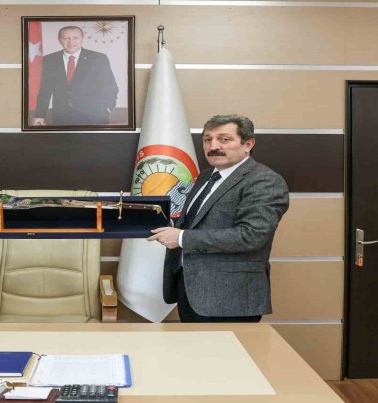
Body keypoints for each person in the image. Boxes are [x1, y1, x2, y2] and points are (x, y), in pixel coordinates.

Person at [147, 114, 289, 323]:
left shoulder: (264, 180)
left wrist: (181, 238)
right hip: (189, 287)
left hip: (229, 297)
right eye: (208, 139)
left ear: (248, 144)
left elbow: (251, 236)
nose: (213, 146)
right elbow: (196, 222)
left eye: (224, 139)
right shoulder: (206, 176)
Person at [32, 26, 119, 126]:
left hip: (95, 116)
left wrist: (107, 109)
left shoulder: (98, 58)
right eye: (66, 38)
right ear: (60, 40)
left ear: (82, 38)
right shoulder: (49, 60)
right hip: (62, 117)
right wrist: (39, 115)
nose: (71, 42)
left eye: (75, 38)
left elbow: (110, 87)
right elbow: (45, 90)